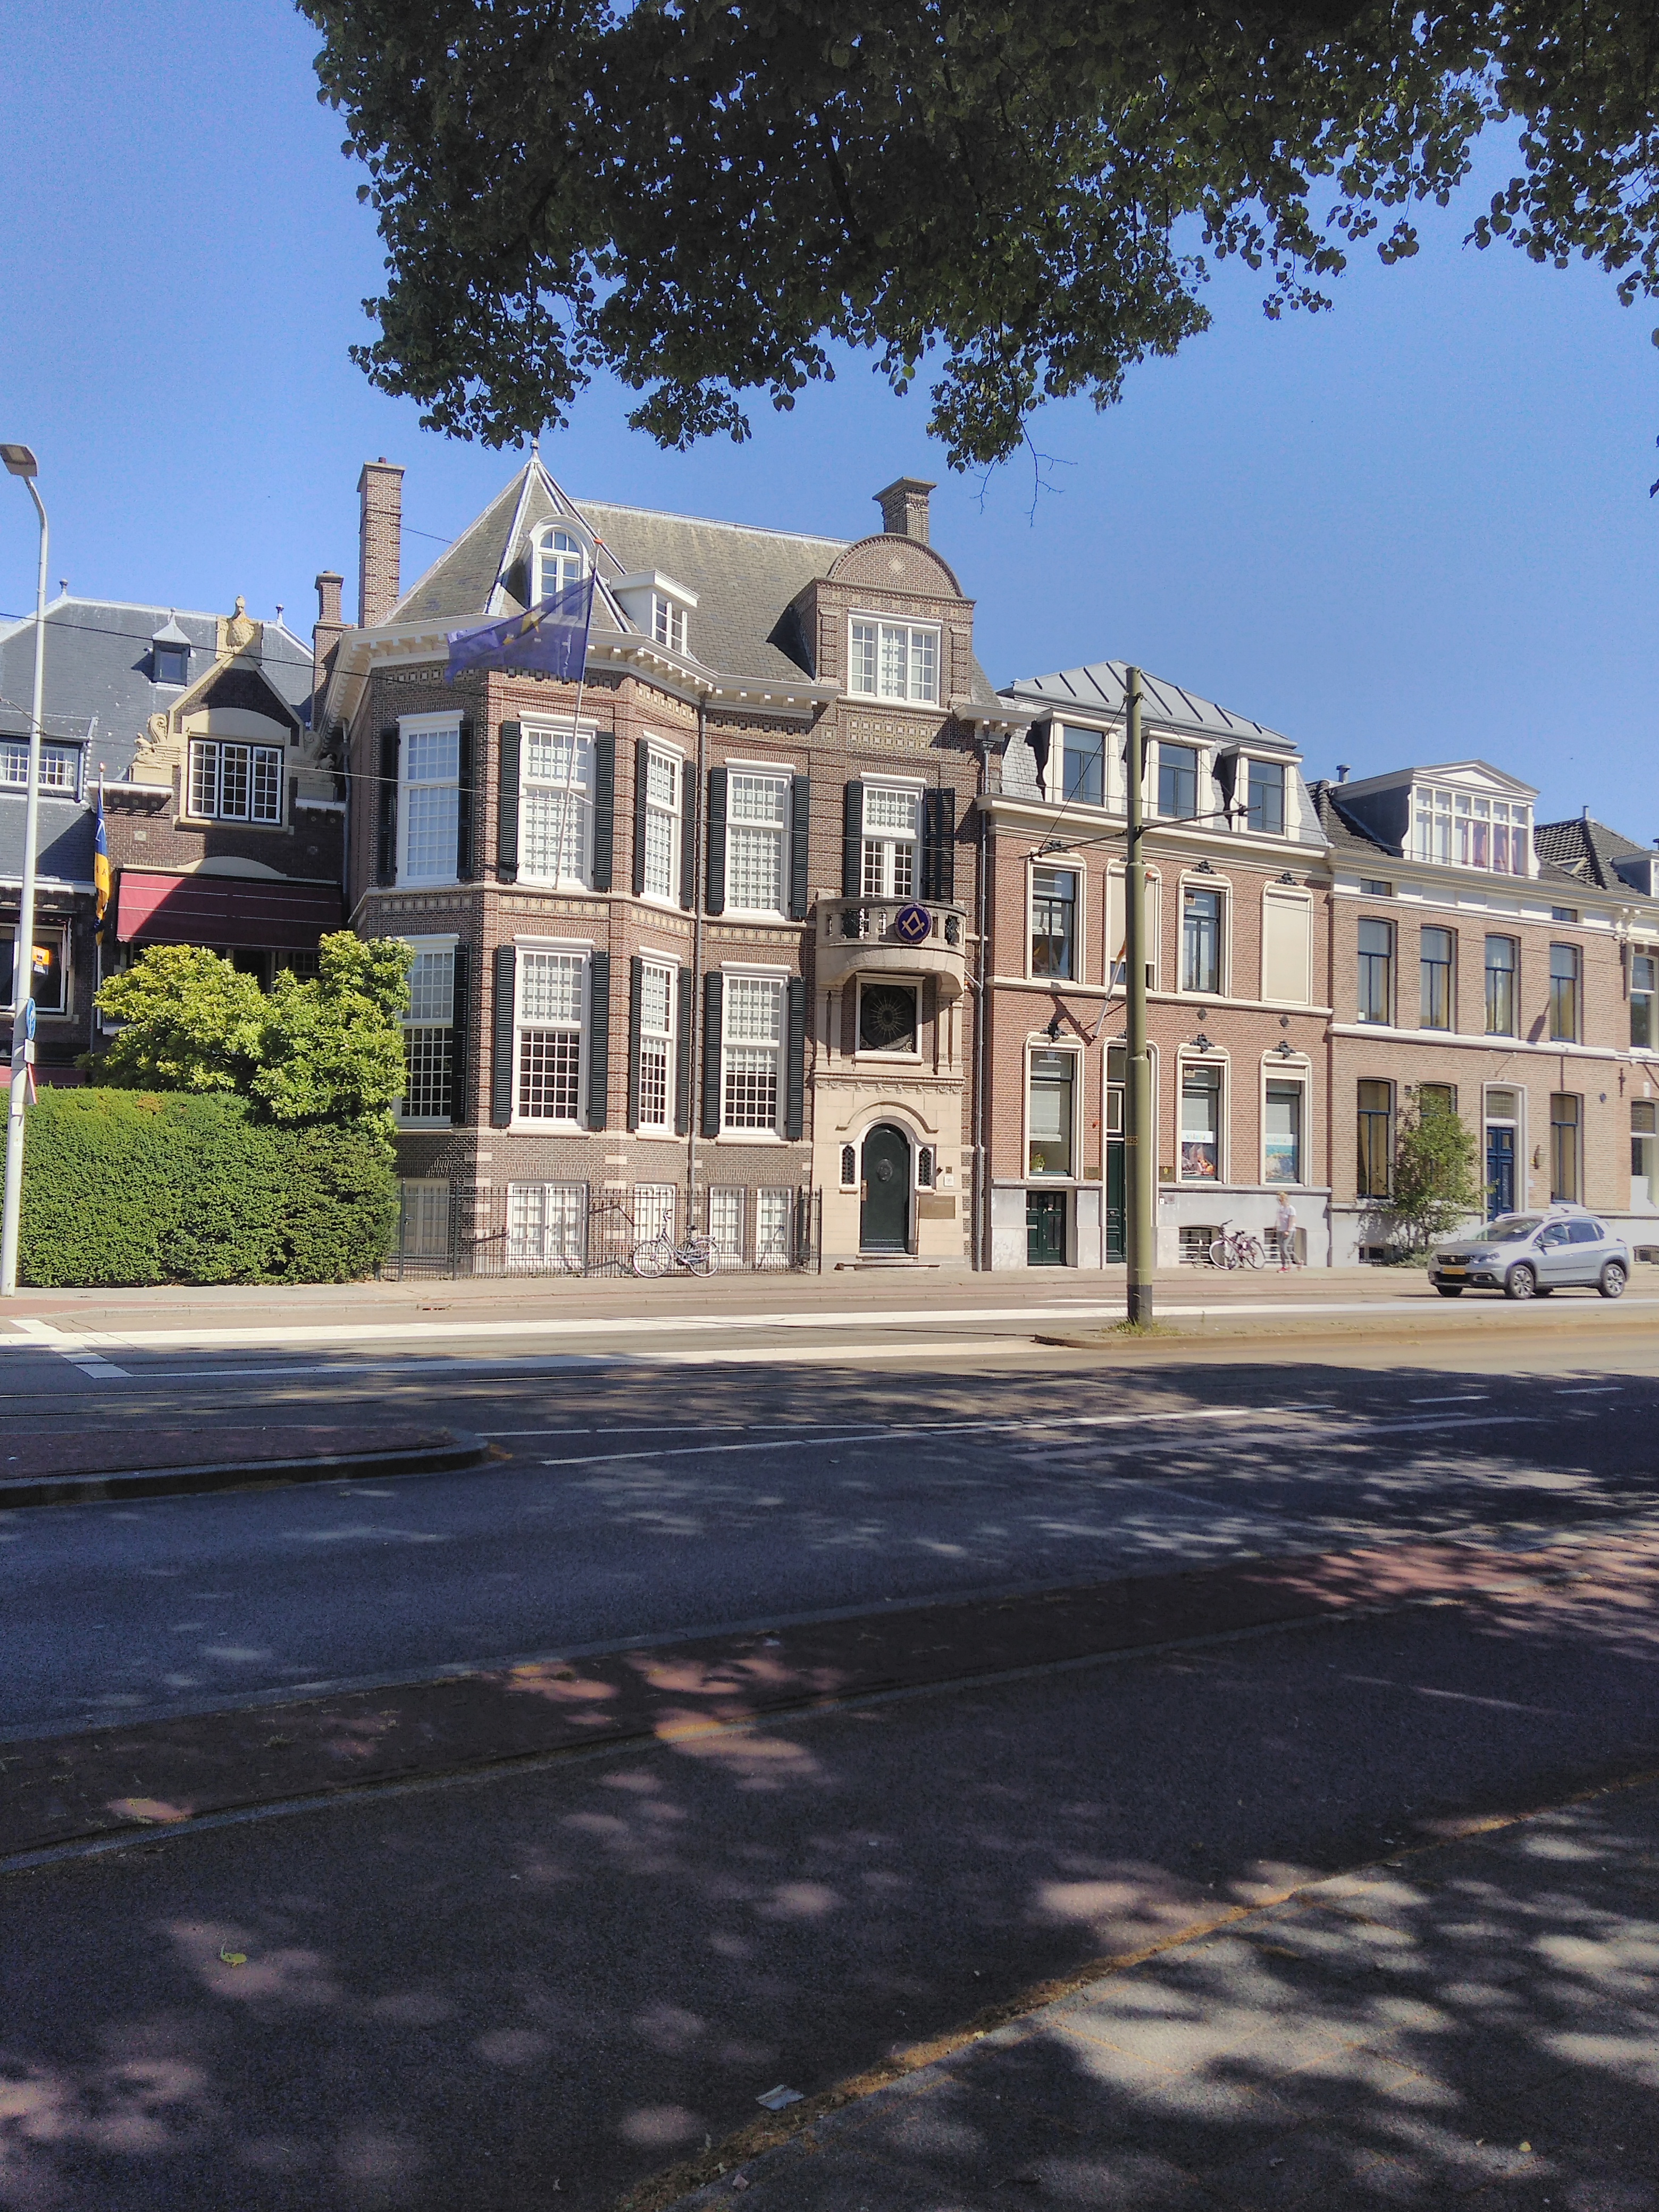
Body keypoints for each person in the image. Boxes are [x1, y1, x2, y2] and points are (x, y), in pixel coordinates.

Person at [1275, 1194, 1298, 1271]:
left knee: (1284, 1248)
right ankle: (1284, 1265)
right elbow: (1278, 1219)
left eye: (1281, 1200)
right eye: (1279, 1200)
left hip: (1289, 1230)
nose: (1280, 1202)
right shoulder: (1280, 1209)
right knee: (1281, 1248)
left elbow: (1292, 1220)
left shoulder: (1291, 1209)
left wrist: (1288, 1230)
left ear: (1286, 1200)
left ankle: (1289, 1264)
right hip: (1281, 1230)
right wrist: (1276, 1227)